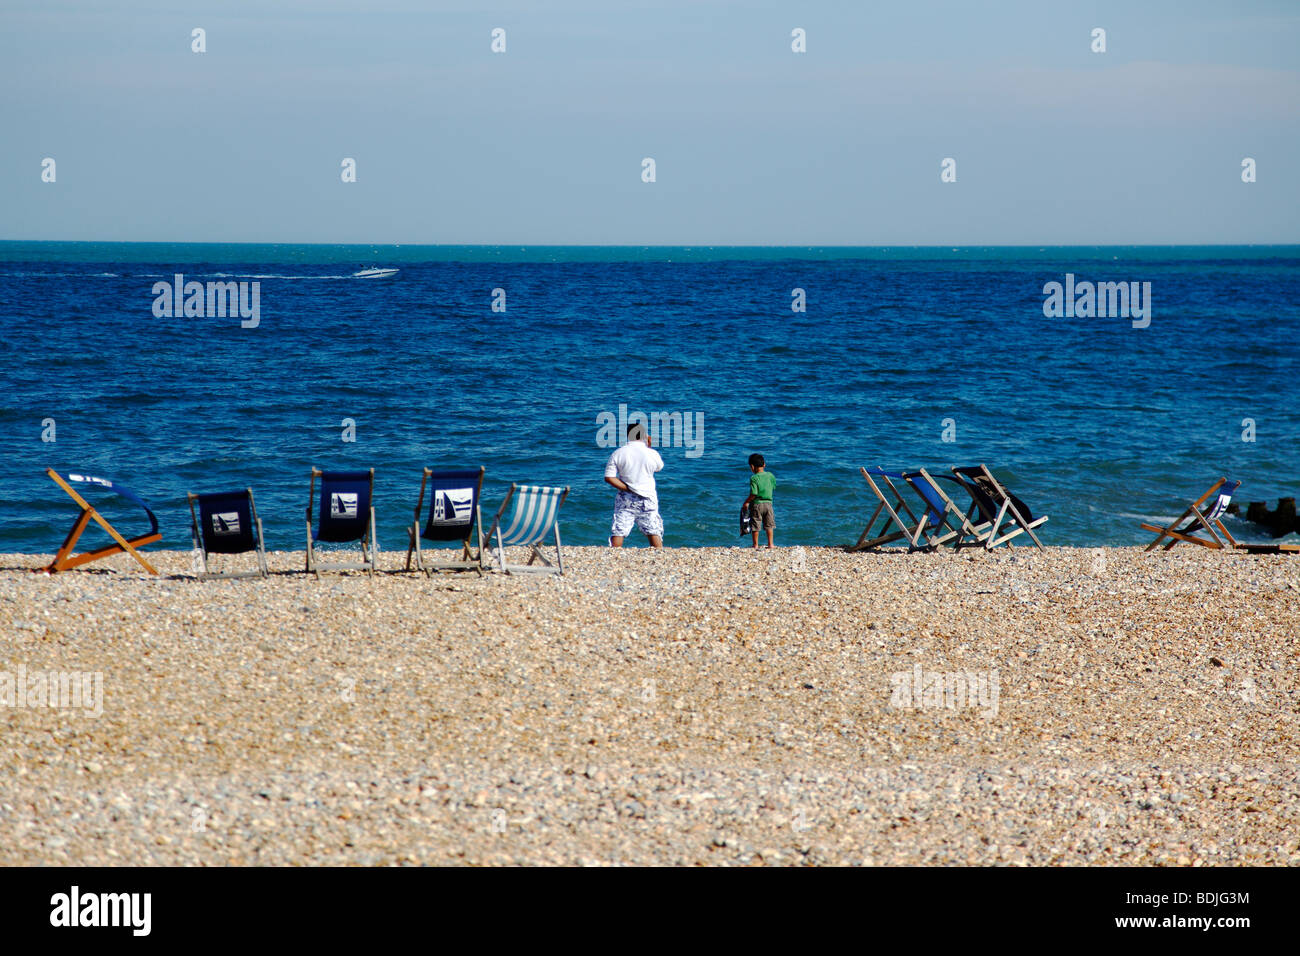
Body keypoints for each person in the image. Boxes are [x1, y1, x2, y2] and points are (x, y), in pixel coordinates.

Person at [604, 422, 664, 548]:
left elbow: (609, 477)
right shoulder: (652, 454)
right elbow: (658, 468)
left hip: (626, 497)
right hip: (648, 497)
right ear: (644, 436)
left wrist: (626, 488)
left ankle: (613, 556)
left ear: (628, 435)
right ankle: (660, 556)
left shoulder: (618, 453)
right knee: (653, 530)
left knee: (619, 530)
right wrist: (649, 445)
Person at [743, 452, 775, 549]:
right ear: (764, 464)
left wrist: (746, 502)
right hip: (769, 503)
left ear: (752, 467)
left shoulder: (754, 478)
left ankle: (755, 545)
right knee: (769, 524)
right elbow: (773, 486)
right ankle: (770, 544)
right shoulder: (770, 475)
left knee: (755, 524)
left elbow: (754, 493)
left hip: (757, 504)